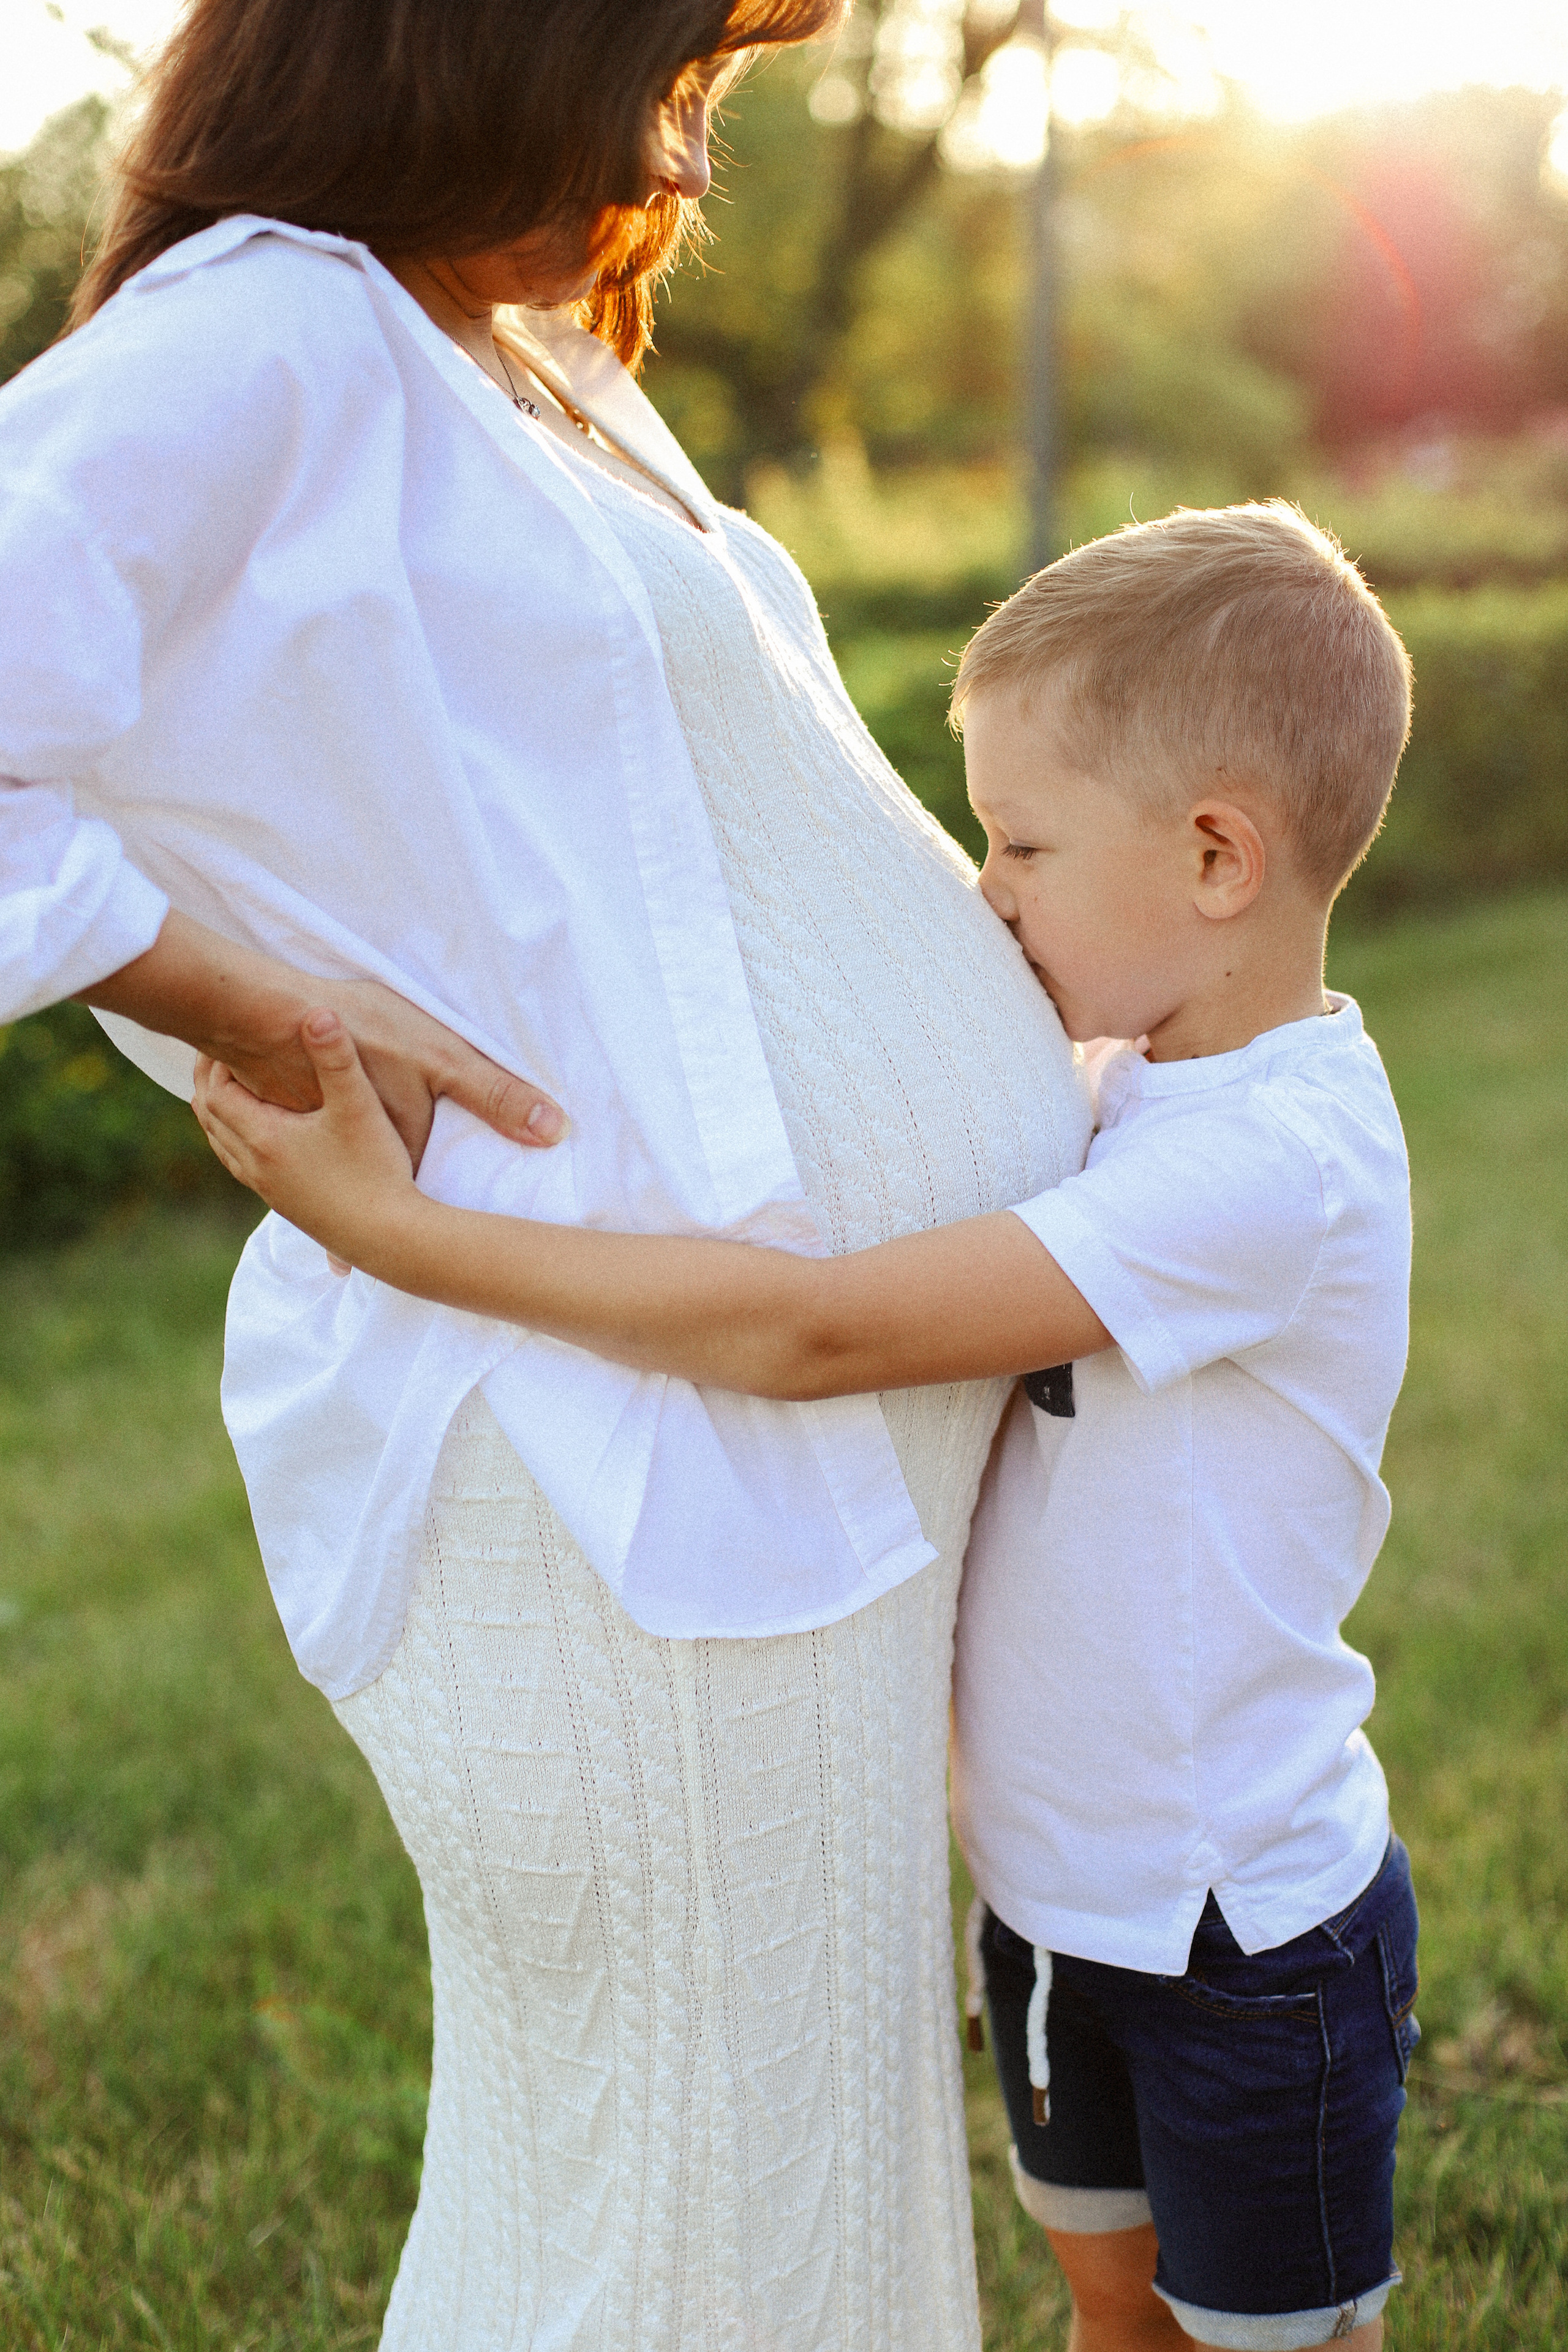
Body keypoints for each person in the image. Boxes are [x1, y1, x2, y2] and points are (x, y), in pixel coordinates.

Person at [0, 1, 1092, 2342]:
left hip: (779, 1448)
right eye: (675, 70)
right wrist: (233, 990)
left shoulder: (522, 364)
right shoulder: (269, 335)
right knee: (680, 2208)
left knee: (778, 2170)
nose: (689, 160)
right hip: (612, 1462)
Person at [195, 502, 1422, 2352]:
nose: (988, 891)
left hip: (1242, 1929)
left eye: (1018, 845)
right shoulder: (1128, 1086)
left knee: (1279, 2342)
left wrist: (406, 1240)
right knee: (1111, 2297)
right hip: (1054, 1902)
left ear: (1218, 856)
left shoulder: (1277, 1167)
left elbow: (815, 1331)